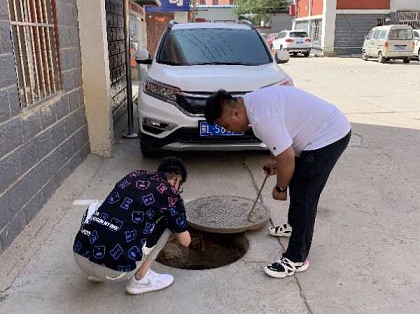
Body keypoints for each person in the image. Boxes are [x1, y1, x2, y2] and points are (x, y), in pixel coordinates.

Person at [204, 87, 351, 279]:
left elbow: (287, 157)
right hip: (320, 129)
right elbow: (282, 134)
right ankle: (294, 225)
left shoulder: (260, 118)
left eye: (226, 126)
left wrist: (280, 188)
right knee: (298, 184)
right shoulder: (252, 103)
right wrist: (275, 159)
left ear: (235, 113)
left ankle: (296, 258)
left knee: (304, 195)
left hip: (328, 137)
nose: (228, 130)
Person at [73, 157, 191, 295]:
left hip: (80, 258)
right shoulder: (171, 196)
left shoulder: (134, 175)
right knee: (166, 222)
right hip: (115, 271)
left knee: (99, 206)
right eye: (180, 186)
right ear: (176, 180)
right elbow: (185, 241)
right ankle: (141, 278)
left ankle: (96, 271)